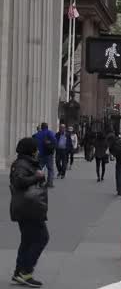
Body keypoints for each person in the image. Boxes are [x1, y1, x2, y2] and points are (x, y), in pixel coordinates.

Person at [9, 137, 49, 287]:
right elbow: (18, 181)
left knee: (27, 240)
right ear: (30, 150)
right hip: (28, 209)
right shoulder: (21, 164)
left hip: (28, 207)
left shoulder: (26, 162)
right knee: (41, 238)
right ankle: (26, 272)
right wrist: (36, 177)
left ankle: (19, 272)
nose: (38, 151)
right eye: (35, 148)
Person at [33, 122, 56, 188]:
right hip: (48, 154)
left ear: (42, 127)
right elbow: (54, 141)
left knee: (39, 168)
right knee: (50, 169)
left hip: (40, 154)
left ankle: (38, 182)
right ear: (47, 127)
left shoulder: (36, 135)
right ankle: (49, 183)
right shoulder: (49, 132)